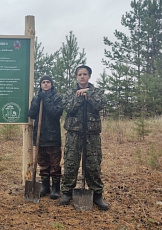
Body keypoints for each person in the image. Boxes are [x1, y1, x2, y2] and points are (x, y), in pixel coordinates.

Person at [60, 65, 109, 210]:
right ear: (76, 77)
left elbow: (101, 104)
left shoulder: (97, 92)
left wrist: (89, 94)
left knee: (93, 164)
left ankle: (97, 194)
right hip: (74, 133)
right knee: (70, 163)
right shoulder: (70, 93)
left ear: (89, 76)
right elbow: (68, 107)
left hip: (91, 135)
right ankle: (67, 192)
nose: (82, 76)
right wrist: (80, 98)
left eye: (85, 74)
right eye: (80, 74)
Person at [28, 76, 63, 199]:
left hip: (53, 137)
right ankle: (45, 186)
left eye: (48, 82)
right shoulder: (37, 97)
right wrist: (38, 101)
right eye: (43, 82)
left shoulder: (57, 97)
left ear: (52, 84)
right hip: (40, 136)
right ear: (40, 85)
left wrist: (46, 99)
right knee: (43, 164)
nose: (46, 84)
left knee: (54, 164)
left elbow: (56, 113)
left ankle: (55, 188)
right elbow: (31, 114)